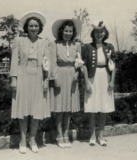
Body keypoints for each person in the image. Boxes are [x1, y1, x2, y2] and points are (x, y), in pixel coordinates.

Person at [10, 11, 50, 154]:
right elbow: (14, 61)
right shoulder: (19, 41)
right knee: (24, 109)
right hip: (23, 74)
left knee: (36, 109)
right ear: (26, 27)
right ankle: (22, 139)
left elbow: (47, 63)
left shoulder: (44, 42)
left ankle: (32, 139)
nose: (33, 28)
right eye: (31, 26)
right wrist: (14, 79)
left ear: (40, 28)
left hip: (39, 75)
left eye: (36, 26)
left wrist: (46, 80)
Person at [81, 20, 116, 147]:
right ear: (93, 33)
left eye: (101, 31)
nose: (99, 34)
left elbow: (113, 65)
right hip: (92, 78)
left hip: (105, 77)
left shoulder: (110, 47)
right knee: (92, 108)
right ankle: (92, 136)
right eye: (97, 32)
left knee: (103, 108)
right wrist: (86, 82)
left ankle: (101, 136)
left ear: (105, 33)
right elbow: (84, 66)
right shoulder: (87, 47)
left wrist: (112, 81)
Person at [50, 19, 82, 148]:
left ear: (73, 32)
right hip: (60, 74)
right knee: (59, 108)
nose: (68, 33)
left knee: (68, 109)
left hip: (72, 76)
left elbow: (79, 63)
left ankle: (65, 133)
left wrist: (77, 74)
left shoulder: (77, 45)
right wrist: (55, 78)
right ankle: (59, 135)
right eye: (65, 31)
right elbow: (52, 63)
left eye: (70, 31)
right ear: (61, 31)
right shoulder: (55, 44)